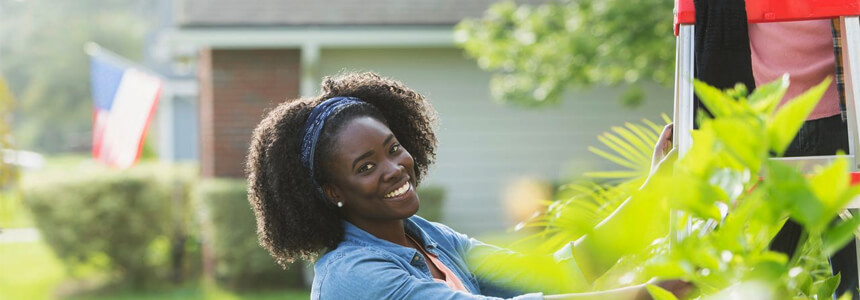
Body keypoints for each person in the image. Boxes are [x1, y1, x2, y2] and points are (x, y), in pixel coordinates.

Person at [245, 72, 689, 299]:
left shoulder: (430, 239)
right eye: (365, 166)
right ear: (331, 191)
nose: (395, 168)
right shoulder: (355, 276)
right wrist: (649, 293)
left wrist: (655, 187)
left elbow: (552, 272)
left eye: (393, 147)